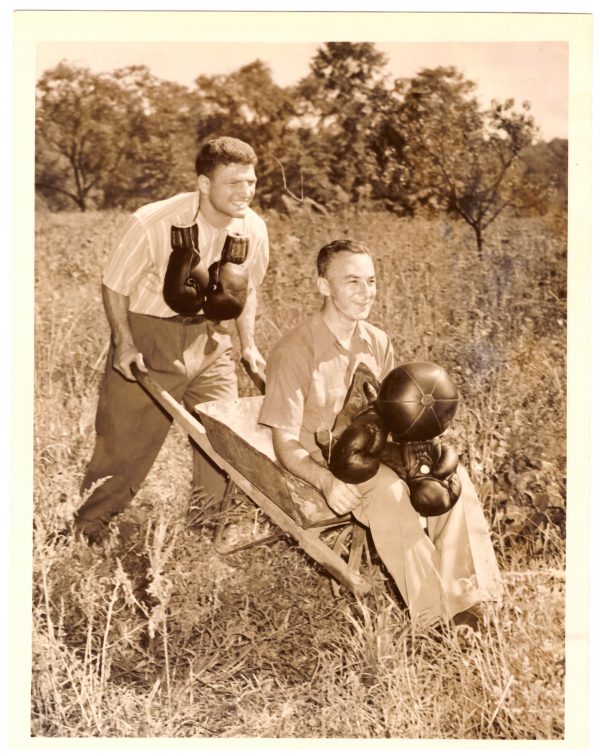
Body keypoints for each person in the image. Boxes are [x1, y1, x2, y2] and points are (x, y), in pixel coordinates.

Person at [258, 239, 502, 629]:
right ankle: (434, 621)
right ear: (324, 286)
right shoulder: (294, 351)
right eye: (352, 281)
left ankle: (471, 604)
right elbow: (284, 443)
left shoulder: (377, 341)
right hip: (324, 463)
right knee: (389, 495)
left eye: (370, 281)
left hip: (376, 450)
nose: (365, 292)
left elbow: (393, 417)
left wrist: (424, 454)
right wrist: (325, 482)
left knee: (452, 481)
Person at [75, 136, 269, 541]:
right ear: (203, 184)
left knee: (224, 437)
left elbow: (247, 290)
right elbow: (115, 285)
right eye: (233, 183)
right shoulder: (154, 221)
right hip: (150, 335)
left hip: (211, 341)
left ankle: (206, 531)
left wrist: (248, 345)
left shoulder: (253, 228)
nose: (245, 192)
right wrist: (124, 343)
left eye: (250, 182)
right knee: (124, 445)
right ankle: (89, 530)